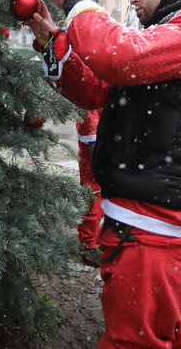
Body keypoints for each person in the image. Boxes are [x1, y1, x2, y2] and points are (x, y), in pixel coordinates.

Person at [28, 0, 181, 349]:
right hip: (151, 224)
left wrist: (78, 1)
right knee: (173, 328)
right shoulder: (165, 38)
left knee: (133, 340)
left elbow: (116, 56)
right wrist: (53, 44)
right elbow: (97, 91)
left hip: (154, 229)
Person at [75, 108, 104, 267]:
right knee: (93, 190)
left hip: (116, 128)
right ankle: (87, 243)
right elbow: (88, 98)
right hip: (96, 131)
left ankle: (105, 236)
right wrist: (91, 133)